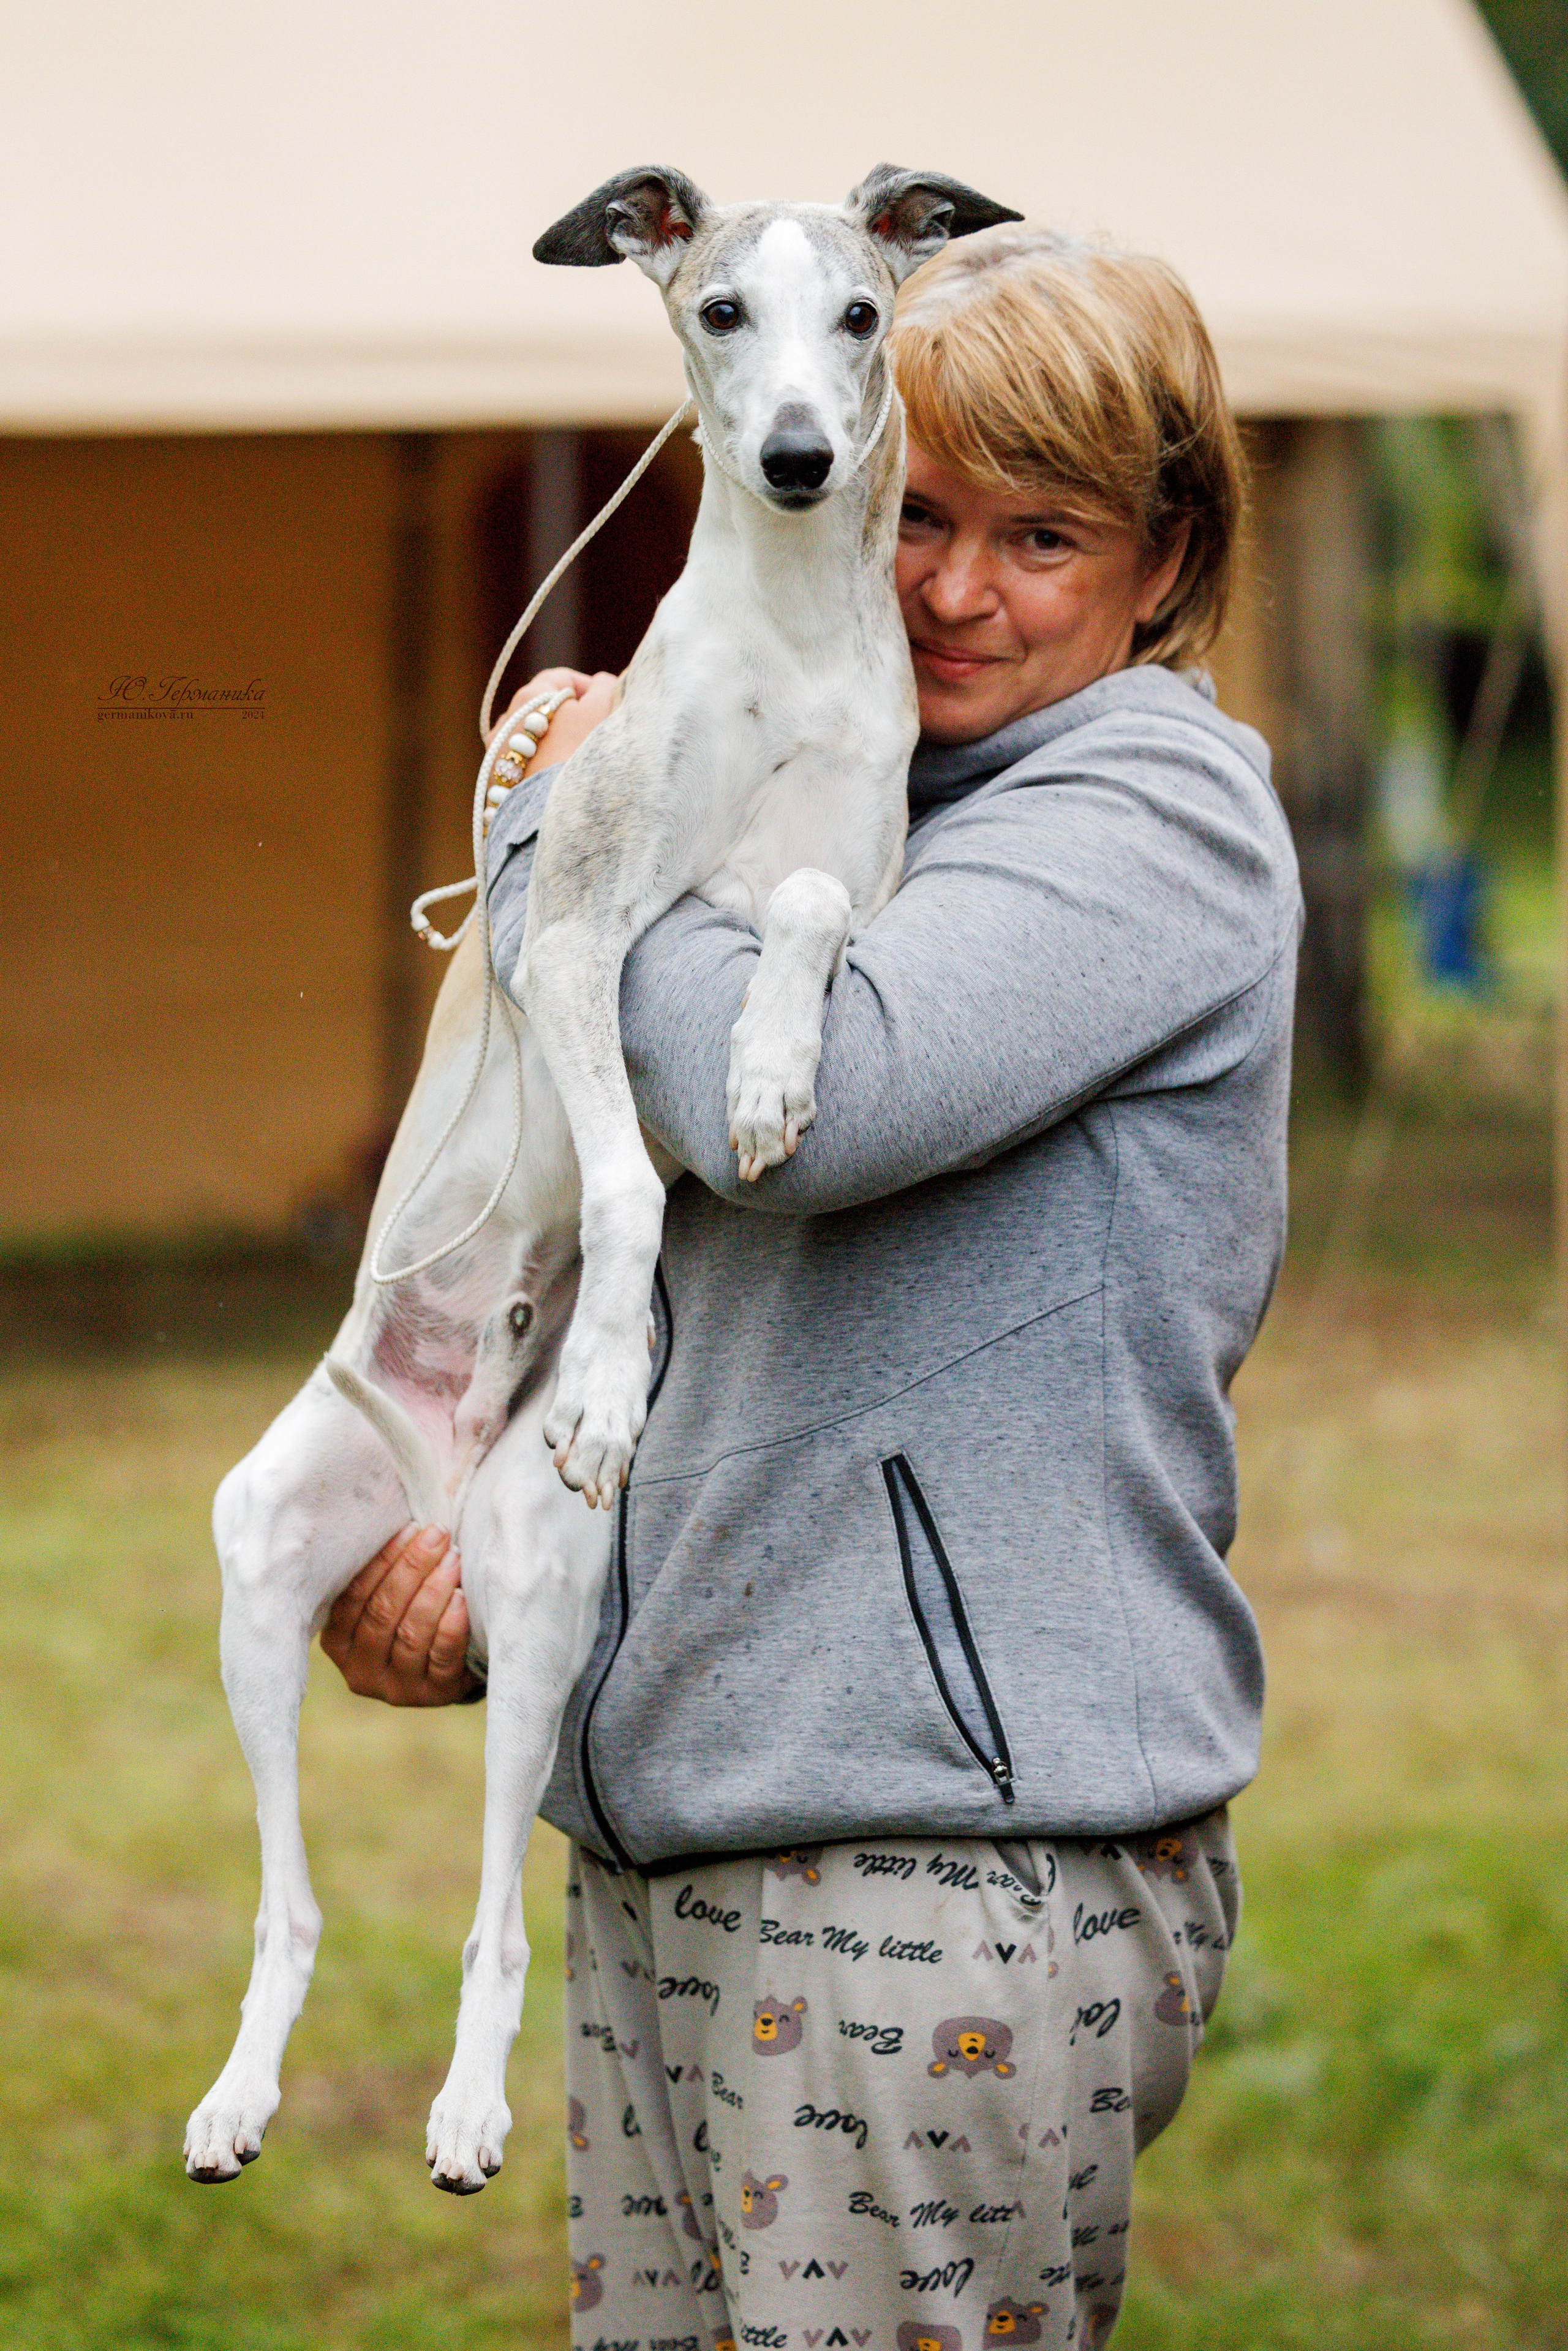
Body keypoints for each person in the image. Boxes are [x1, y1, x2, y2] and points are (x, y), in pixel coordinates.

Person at [323, 226, 1302, 2350]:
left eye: (1042, 538)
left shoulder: (1154, 816)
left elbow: (815, 1108)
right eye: (915, 511)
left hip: (945, 1858)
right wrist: (483, 1563)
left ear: (1163, 560)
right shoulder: (846, 781)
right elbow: (692, 1293)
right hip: (690, 1816)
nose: (953, 589)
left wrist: (563, 826)